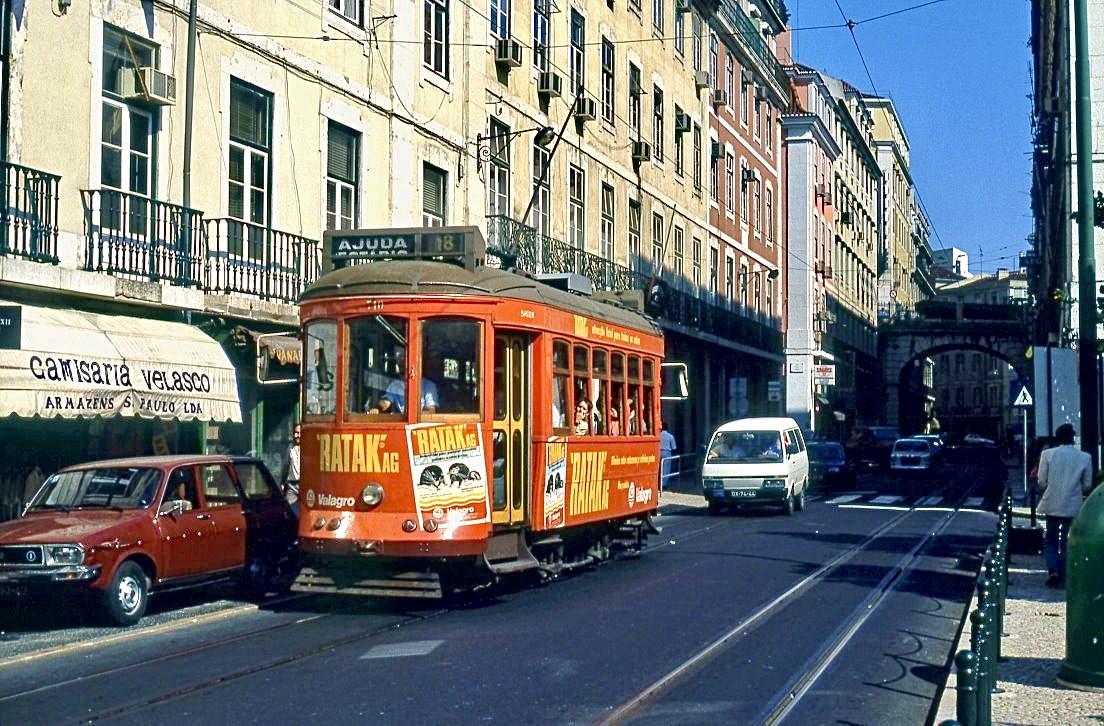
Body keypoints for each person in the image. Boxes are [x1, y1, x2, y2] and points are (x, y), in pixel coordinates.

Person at [1036, 422, 1092, 588]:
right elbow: (1087, 485)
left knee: (1051, 539)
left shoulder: (1047, 454)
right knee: (1068, 539)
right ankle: (1064, 572)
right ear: (1072, 438)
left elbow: (1041, 481)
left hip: (1052, 503)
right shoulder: (1085, 457)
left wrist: (1051, 488)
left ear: (1057, 438)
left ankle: (1053, 570)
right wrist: (1075, 490)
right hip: (1072, 505)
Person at [369, 349, 439, 414]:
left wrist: (414, 416)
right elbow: (386, 402)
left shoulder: (429, 386)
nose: (400, 366)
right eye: (399, 364)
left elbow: (431, 410)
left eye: (403, 363)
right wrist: (377, 408)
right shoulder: (395, 385)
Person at [282, 424, 301, 510]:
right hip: (292, 486)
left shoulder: (309, 448)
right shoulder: (290, 449)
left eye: (298, 433)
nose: (296, 435)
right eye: (295, 433)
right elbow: (285, 466)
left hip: (305, 486)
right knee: (291, 510)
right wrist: (282, 482)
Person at [659, 422, 677, 490]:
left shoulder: (659, 435)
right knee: (666, 469)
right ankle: (664, 484)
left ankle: (658, 483)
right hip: (667, 453)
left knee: (659, 468)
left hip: (659, 452)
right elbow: (674, 447)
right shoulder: (670, 436)